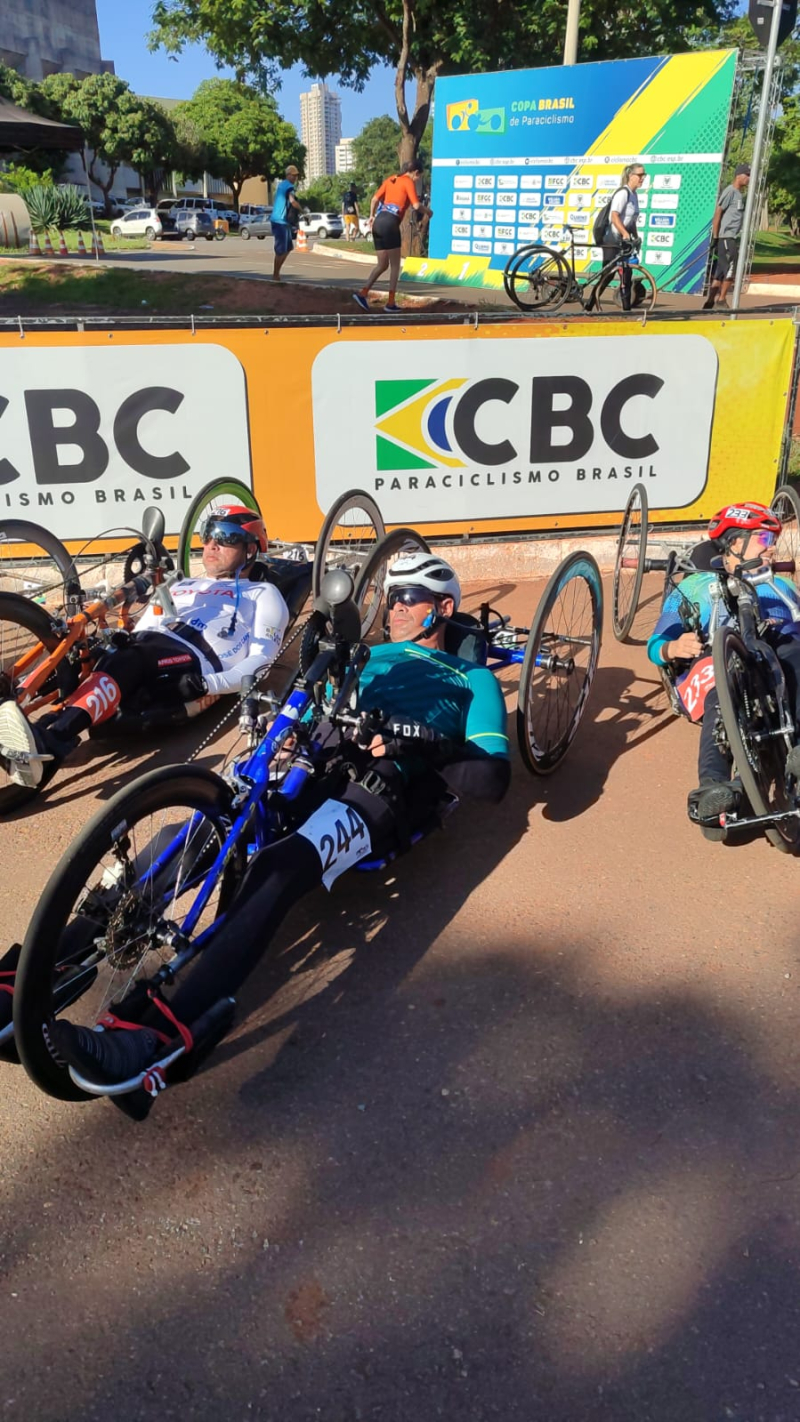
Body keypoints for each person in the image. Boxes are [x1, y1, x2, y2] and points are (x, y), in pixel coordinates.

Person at [45, 552, 511, 1089]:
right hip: (313, 761)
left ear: (443, 608)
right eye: (391, 598)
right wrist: (290, 730)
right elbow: (316, 704)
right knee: (191, 835)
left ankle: (157, 1039)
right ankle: (48, 963)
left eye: (408, 598)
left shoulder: (472, 678)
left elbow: (492, 779)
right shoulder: (370, 653)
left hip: (380, 785)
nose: (394, 609)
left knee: (277, 869)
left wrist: (424, 742)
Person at [0, 506, 289, 793]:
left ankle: (51, 740)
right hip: (149, 649)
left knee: (132, 656)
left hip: (193, 660)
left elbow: (262, 659)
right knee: (86, 652)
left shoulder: (263, 593)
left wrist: (210, 684)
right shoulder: (183, 584)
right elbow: (145, 628)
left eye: (226, 537)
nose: (212, 544)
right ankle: (30, 721)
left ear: (251, 549)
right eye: (208, 534)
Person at [647, 501, 800, 833]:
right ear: (734, 543)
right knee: (720, 691)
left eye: (773, 541)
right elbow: (656, 643)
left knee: (795, 656)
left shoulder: (783, 586)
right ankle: (713, 787)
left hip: (777, 660)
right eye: (763, 539)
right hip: (718, 667)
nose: (772, 548)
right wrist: (674, 647)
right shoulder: (694, 587)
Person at [352, 161, 433, 314]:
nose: (417, 180)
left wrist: (371, 216)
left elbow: (374, 199)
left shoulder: (391, 179)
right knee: (395, 265)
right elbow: (416, 205)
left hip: (378, 222)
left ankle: (362, 293)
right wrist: (428, 211)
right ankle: (390, 303)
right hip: (390, 223)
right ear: (415, 172)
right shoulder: (408, 181)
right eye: (419, 177)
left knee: (382, 265)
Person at [702, 164, 751, 311]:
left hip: (731, 237)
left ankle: (710, 301)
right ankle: (721, 299)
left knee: (720, 271)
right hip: (726, 237)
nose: (749, 178)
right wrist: (716, 237)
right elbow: (718, 213)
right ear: (739, 176)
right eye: (747, 175)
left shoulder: (739, 194)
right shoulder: (730, 191)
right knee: (731, 269)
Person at [270, 164, 304, 282]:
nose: (295, 178)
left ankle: (277, 274)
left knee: (288, 248)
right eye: (293, 175)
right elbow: (292, 201)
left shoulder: (282, 185)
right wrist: (302, 210)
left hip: (283, 221)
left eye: (296, 176)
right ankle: (275, 275)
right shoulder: (288, 186)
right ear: (288, 175)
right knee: (280, 250)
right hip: (280, 221)